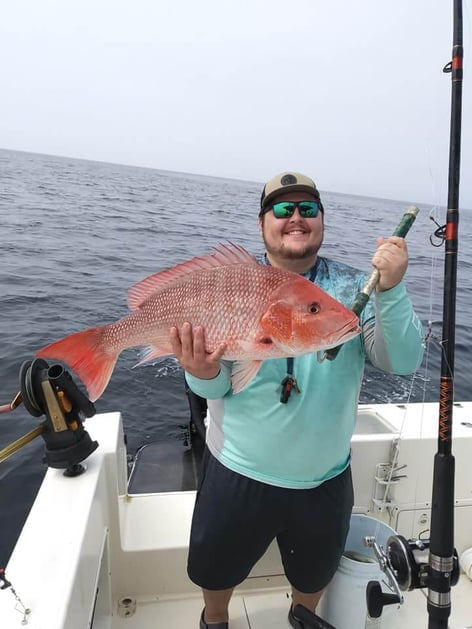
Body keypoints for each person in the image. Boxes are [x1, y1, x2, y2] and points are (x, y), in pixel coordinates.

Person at [170, 172, 425, 629]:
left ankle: (301, 618)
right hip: (238, 469)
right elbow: (216, 388)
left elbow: (402, 360)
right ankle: (215, 620)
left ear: (322, 220)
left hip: (323, 477)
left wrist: (391, 289)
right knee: (215, 568)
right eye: (282, 209)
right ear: (262, 222)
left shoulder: (353, 291)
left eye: (308, 208)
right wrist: (202, 372)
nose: (295, 218)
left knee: (315, 570)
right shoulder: (231, 285)